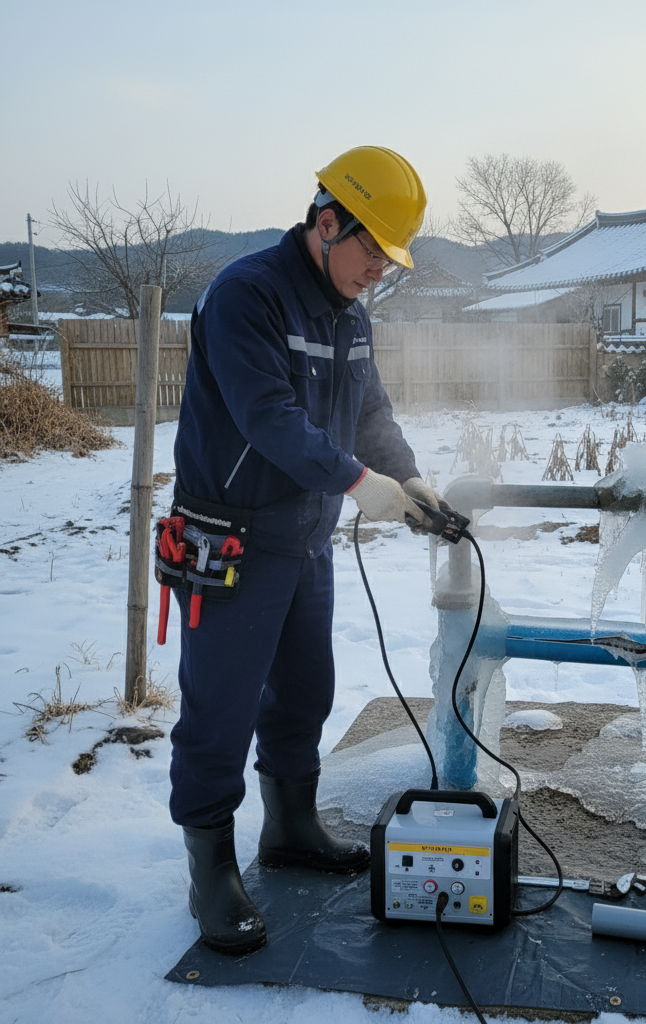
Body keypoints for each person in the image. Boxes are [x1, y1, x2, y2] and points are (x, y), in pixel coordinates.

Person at [167, 146, 443, 955]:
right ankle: (210, 867)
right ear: (328, 223)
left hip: (305, 537)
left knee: (304, 693)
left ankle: (289, 826)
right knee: (218, 708)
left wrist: (410, 476)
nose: (379, 274)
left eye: (392, 261)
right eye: (373, 253)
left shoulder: (351, 314)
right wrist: (363, 484)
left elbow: (368, 413)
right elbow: (271, 419)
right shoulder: (245, 297)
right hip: (233, 536)